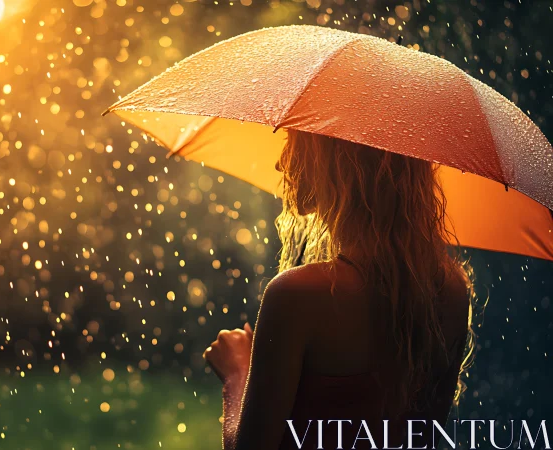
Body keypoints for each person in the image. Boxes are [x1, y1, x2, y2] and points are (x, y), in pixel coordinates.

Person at [203, 129, 474, 450]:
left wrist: (237, 372)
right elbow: (423, 441)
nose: (280, 164)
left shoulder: (297, 296)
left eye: (295, 142)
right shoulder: (452, 289)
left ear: (337, 157)